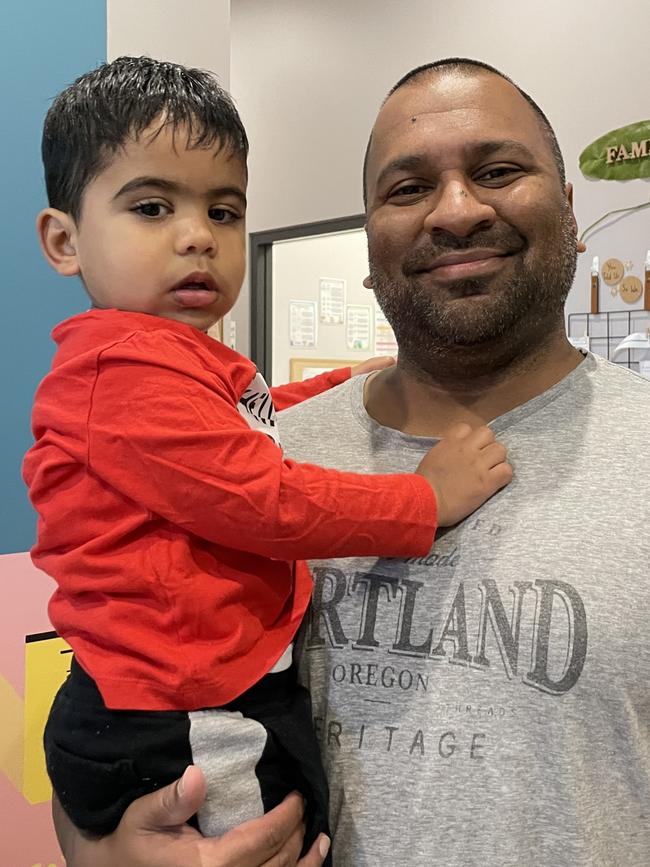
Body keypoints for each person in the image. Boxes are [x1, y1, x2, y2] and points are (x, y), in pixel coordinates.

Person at [53, 56, 650, 866]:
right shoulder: (247, 449)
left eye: (498, 170)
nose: (457, 210)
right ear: (368, 241)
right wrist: (101, 852)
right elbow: (127, 696)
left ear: (571, 209)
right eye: (407, 189)